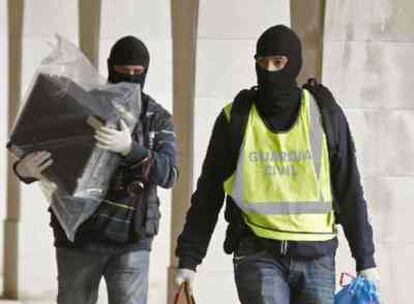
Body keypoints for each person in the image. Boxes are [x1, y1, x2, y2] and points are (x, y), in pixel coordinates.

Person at [175, 25, 380, 304]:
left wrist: (365, 259)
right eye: (263, 63)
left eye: (278, 63)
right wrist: (189, 258)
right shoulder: (235, 118)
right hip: (258, 252)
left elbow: (349, 188)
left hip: (317, 256)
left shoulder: (325, 114)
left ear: (293, 64)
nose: (270, 71)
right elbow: (209, 192)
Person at [13, 36, 178, 304]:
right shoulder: (80, 107)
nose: (131, 77)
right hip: (79, 235)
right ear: (110, 67)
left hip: (131, 238)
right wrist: (24, 168)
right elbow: (44, 148)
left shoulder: (156, 117)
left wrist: (131, 149)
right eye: (123, 71)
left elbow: (169, 173)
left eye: (138, 72)